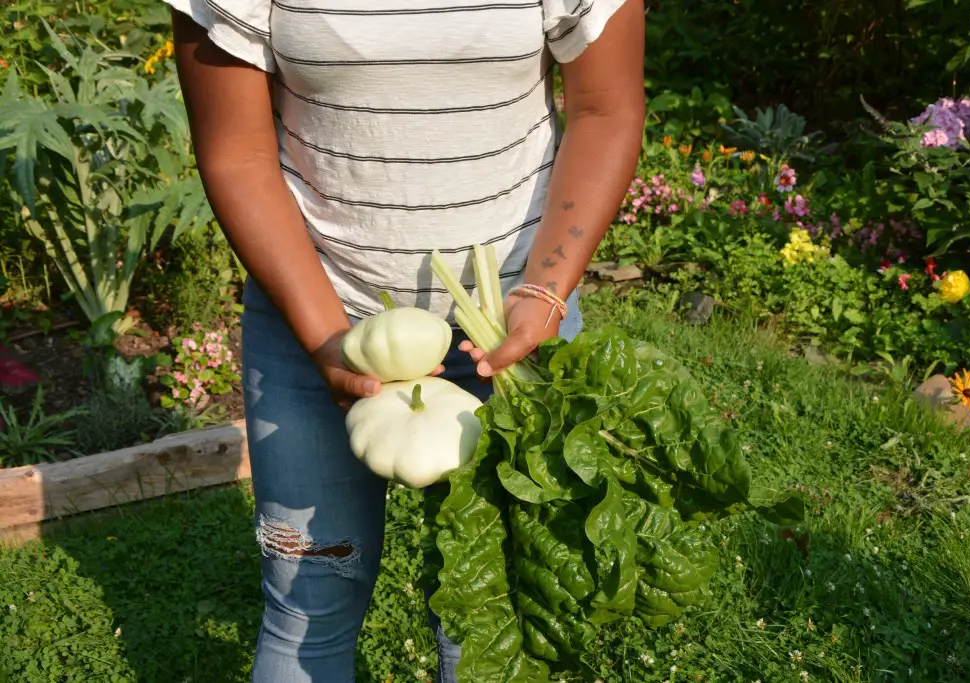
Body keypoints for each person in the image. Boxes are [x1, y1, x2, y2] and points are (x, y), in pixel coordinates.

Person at [165, 0, 645, 680]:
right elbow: (234, 153)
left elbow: (607, 110)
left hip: (515, 340)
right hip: (319, 327)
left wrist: (544, 291)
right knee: (308, 609)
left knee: (489, 622)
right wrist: (327, 337)